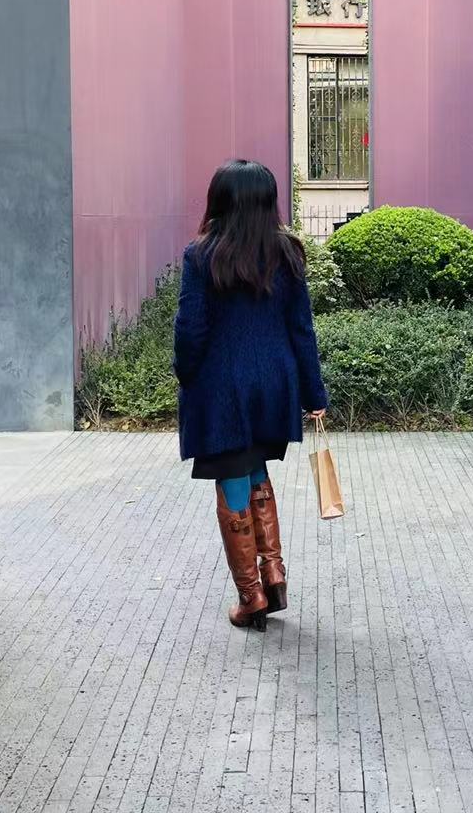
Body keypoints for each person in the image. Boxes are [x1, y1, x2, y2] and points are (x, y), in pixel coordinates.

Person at [174, 159, 329, 631]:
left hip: (222, 388)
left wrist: (185, 373)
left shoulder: (202, 255)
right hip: (275, 384)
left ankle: (251, 596)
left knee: (232, 477)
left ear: (219, 201)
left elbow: (191, 328)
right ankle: (273, 573)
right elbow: (302, 330)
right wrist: (313, 392)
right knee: (255, 469)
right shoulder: (287, 253)